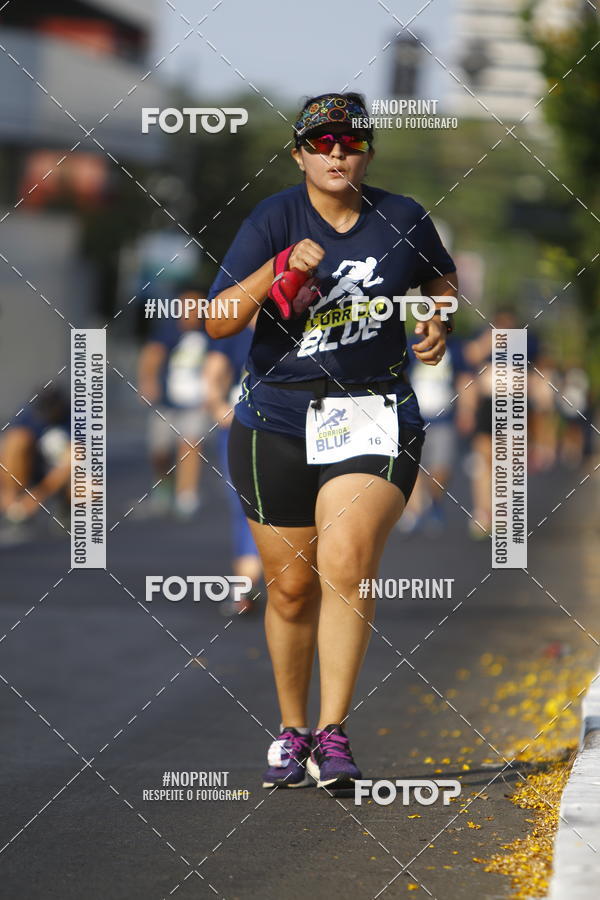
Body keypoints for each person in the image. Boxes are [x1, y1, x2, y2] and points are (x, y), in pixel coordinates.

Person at [205, 93, 458, 790]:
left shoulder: (401, 217)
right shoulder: (275, 217)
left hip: (372, 412)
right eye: (322, 143)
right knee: (290, 590)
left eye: (351, 142)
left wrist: (437, 319)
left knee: (345, 562)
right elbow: (220, 321)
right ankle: (293, 730)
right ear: (300, 155)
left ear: (369, 150)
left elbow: (440, 280)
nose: (338, 153)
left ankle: (335, 733)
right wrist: (280, 266)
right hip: (277, 418)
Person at [202, 325, 262, 615]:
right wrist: (219, 409)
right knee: (245, 507)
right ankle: (246, 588)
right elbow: (213, 375)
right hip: (242, 428)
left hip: (293, 428)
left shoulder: (299, 322)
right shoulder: (235, 332)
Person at [137, 288, 212, 518]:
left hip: (197, 402)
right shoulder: (169, 330)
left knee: (190, 443)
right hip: (167, 401)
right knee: (160, 450)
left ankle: (186, 495)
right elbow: (152, 355)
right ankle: (164, 482)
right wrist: (147, 381)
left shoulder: (210, 332)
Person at [0, 386, 70, 528]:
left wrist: (35, 498)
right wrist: (7, 493)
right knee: (15, 440)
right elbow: (8, 450)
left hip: (59, 471)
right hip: (34, 465)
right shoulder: (28, 414)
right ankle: (14, 497)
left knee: (87, 489)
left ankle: (68, 506)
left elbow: (71, 462)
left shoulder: (74, 419)